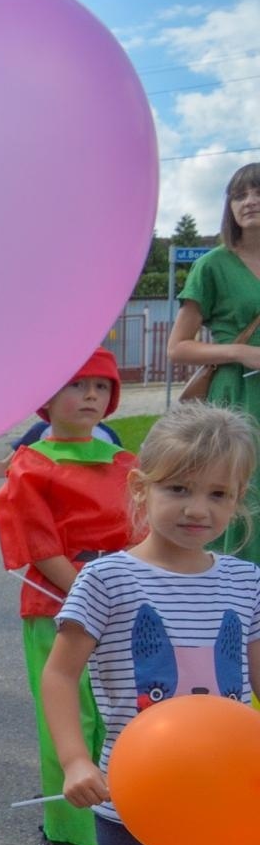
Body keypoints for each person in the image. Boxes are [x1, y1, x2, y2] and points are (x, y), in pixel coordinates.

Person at [42, 403, 260, 845]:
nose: (198, 508)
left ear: (238, 501)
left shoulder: (247, 583)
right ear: (141, 489)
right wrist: (77, 762)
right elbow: (59, 678)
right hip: (131, 801)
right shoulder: (108, 579)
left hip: (229, 799)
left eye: (218, 493)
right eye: (179, 488)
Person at [0, 347, 135, 845]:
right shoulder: (31, 465)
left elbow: (144, 533)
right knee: (69, 722)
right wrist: (92, 593)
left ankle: (122, 815)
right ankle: (62, 839)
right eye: (78, 385)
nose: (92, 397)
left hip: (122, 605)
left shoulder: (127, 465)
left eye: (102, 387)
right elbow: (38, 541)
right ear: (47, 399)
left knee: (124, 712)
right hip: (60, 606)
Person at [169, 162, 260, 565]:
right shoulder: (213, 265)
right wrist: (240, 352)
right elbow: (178, 347)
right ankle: (228, 596)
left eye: (258, 192)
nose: (250, 201)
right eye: (240, 195)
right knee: (239, 488)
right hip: (237, 393)